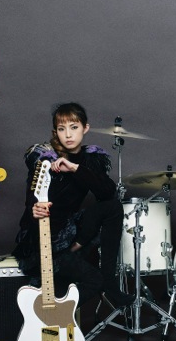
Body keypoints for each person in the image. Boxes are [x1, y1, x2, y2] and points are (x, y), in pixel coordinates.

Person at [13, 102, 135, 309]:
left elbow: (107, 192)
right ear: (56, 132)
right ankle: (58, 312)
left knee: (113, 206)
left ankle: (110, 282)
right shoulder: (44, 158)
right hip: (44, 240)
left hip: (69, 230)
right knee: (93, 281)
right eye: (62, 129)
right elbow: (32, 196)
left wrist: (75, 168)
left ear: (85, 128)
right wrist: (35, 208)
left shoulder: (90, 159)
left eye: (74, 127)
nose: (68, 135)